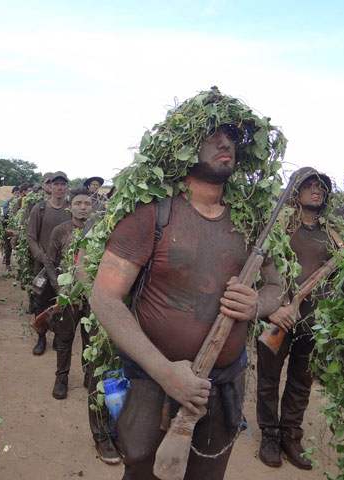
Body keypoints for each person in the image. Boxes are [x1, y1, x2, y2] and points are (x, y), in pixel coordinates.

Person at [90, 117, 283, 477]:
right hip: (152, 383)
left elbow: (276, 286)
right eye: (212, 134)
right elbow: (104, 298)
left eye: (230, 136)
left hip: (222, 384)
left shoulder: (251, 222)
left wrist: (257, 304)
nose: (225, 143)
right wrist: (165, 372)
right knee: (143, 469)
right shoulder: (152, 214)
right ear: (184, 146)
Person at [256, 167, 338, 470]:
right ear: (296, 191)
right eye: (309, 185)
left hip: (314, 322)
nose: (316, 190)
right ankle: (269, 435)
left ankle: (291, 435)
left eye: (321, 187)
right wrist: (272, 310)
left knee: (301, 381)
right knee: (268, 379)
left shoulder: (333, 232)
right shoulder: (277, 226)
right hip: (278, 318)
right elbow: (257, 270)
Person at [44, 187, 120, 464]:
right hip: (68, 295)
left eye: (88, 203)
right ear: (70, 207)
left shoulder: (101, 230)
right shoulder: (60, 231)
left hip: (92, 296)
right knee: (65, 339)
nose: (83, 207)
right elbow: (50, 261)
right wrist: (60, 288)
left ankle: (89, 376)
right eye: (78, 203)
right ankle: (61, 378)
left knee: (91, 340)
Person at [27, 171, 71, 355]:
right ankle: (41, 338)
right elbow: (31, 237)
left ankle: (58, 336)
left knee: (62, 303)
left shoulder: (70, 209)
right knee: (41, 302)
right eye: (56, 184)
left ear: (67, 187)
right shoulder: (40, 209)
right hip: (43, 267)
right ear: (50, 186)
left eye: (63, 184)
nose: (59, 188)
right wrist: (42, 257)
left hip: (65, 268)